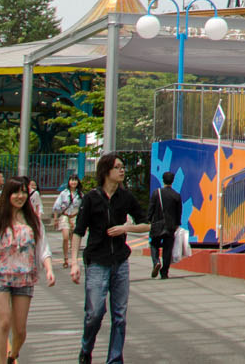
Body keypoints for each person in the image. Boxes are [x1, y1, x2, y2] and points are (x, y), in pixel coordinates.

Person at [72, 153, 148, 364]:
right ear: (106, 171)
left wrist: (126, 228)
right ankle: (86, 348)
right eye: (118, 167)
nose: (122, 170)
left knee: (120, 315)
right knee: (95, 313)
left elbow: (146, 224)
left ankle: (114, 359)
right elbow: (78, 231)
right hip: (97, 261)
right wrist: (74, 262)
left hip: (120, 261)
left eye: (123, 167)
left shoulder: (126, 197)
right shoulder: (91, 198)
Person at [0, 176, 55, 364]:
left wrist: (49, 269)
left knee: (20, 330)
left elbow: (43, 249)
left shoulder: (33, 221)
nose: (20, 196)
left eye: (24, 192)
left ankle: (13, 355)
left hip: (24, 277)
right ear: (8, 195)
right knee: (4, 322)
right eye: (16, 192)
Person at [148, 173, 183, 279]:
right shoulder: (176, 195)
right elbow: (179, 212)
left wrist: (148, 220)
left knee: (154, 244)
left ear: (163, 180)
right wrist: (177, 224)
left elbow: (151, 208)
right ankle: (164, 272)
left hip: (157, 225)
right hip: (170, 226)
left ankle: (156, 262)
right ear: (173, 181)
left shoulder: (156, 193)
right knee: (167, 249)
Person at [52, 177, 84, 271]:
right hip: (65, 216)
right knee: (65, 237)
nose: (73, 182)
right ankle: (65, 258)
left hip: (75, 217)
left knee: (74, 239)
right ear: (69, 182)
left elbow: (83, 208)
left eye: (75, 180)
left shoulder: (80, 194)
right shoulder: (64, 193)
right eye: (72, 180)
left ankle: (74, 259)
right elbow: (56, 206)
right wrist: (55, 219)